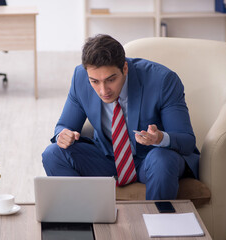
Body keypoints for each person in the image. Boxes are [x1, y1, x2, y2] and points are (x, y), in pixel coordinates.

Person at [42, 34, 200, 200]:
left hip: (151, 160)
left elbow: (187, 141)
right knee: (52, 153)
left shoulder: (163, 81)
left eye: (111, 80)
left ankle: (156, 223)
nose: (103, 91)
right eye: (95, 81)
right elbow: (63, 125)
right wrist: (63, 135)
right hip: (106, 159)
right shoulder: (80, 77)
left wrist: (160, 138)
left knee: (162, 159)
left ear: (125, 68)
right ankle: (83, 217)